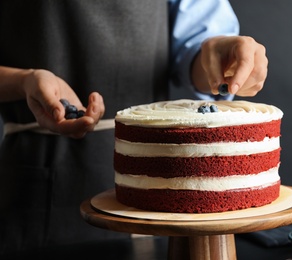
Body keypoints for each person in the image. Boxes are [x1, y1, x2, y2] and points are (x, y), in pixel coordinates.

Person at [0, 0, 268, 257]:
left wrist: (220, 59)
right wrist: (24, 81)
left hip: (160, 192)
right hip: (32, 193)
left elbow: (194, 60)